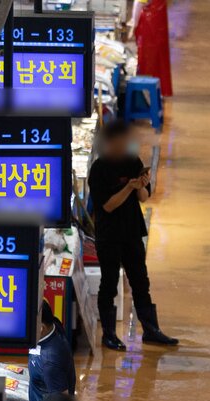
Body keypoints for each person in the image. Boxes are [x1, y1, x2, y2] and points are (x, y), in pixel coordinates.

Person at [87, 120, 178, 351]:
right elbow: (107, 206)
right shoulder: (99, 169)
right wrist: (128, 186)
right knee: (109, 283)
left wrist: (141, 185)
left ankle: (151, 329)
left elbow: (143, 198)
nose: (123, 146)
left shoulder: (132, 161)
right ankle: (108, 334)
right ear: (109, 143)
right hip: (109, 236)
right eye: (119, 142)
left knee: (140, 281)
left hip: (132, 231)